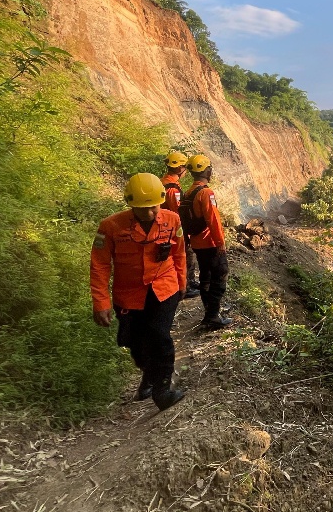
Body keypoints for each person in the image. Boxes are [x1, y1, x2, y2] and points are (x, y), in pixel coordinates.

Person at [90, 173, 186, 410]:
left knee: (158, 335)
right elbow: (99, 265)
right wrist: (100, 301)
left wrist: (182, 284)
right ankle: (149, 374)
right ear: (131, 205)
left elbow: (180, 254)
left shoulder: (172, 220)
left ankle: (162, 390)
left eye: (155, 207)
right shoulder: (111, 227)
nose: (152, 213)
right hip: (129, 294)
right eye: (145, 209)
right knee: (133, 341)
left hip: (164, 287)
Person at [180, 154, 232, 330]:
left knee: (205, 278)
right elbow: (213, 220)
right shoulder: (206, 193)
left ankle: (211, 311)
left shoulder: (188, 193)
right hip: (210, 242)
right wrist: (220, 243)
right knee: (219, 276)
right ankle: (212, 316)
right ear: (207, 170)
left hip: (197, 243)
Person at [161, 151, 200, 299]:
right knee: (185, 255)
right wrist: (185, 231)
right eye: (184, 167)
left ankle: (190, 281)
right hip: (174, 228)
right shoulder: (172, 189)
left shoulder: (164, 182)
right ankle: (186, 285)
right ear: (179, 168)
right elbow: (177, 212)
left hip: (166, 226)